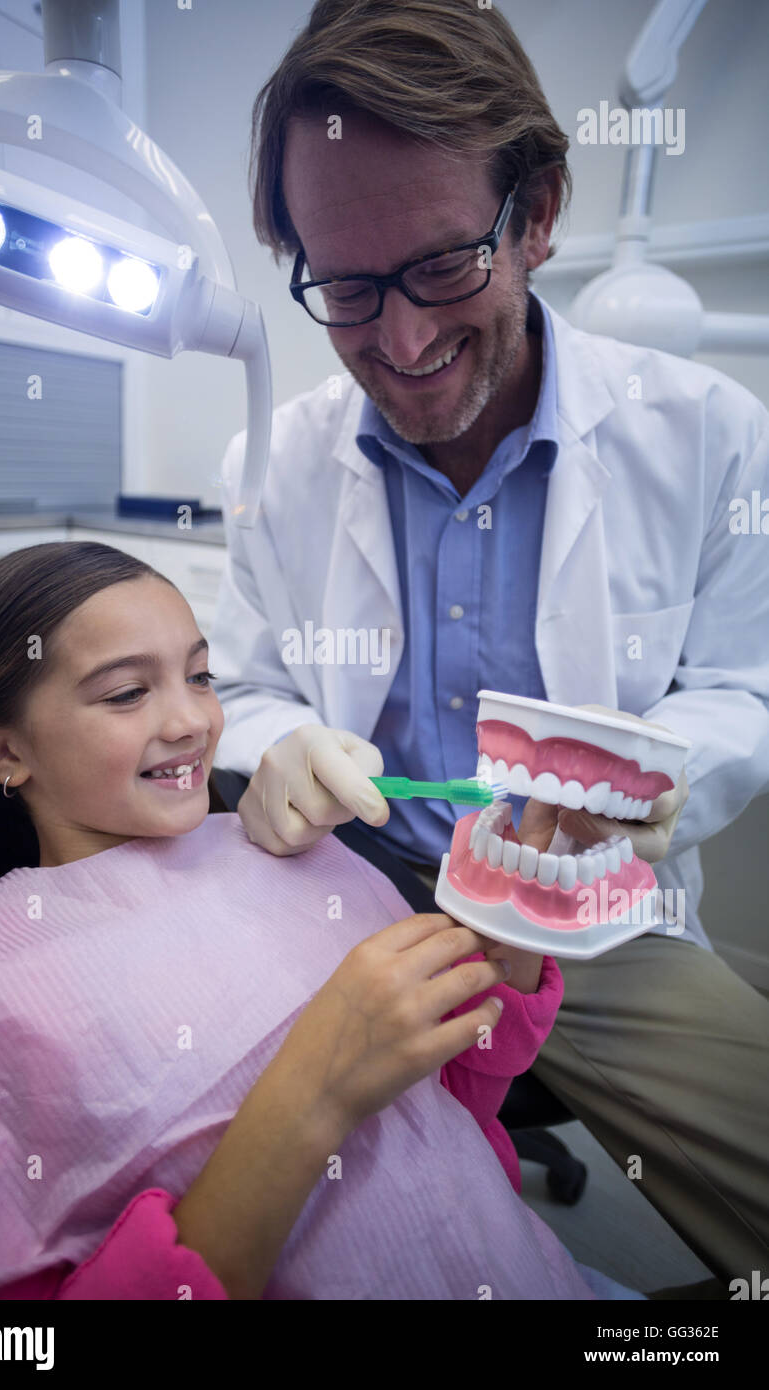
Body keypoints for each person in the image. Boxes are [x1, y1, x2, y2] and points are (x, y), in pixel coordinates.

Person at [207, 0, 769, 1289]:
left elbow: (742, 686)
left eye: (444, 266)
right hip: (340, 900)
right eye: (346, 287)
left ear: (539, 211)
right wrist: (275, 740)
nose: (400, 344)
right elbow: (236, 681)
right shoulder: (274, 460)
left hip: (586, 925)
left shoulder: (704, 432)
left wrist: (651, 772)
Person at [0, 540, 649, 1301]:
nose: (193, 719)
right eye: (128, 693)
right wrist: (315, 1089)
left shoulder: (290, 855)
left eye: (200, 675)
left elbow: (454, 1103)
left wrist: (514, 908)